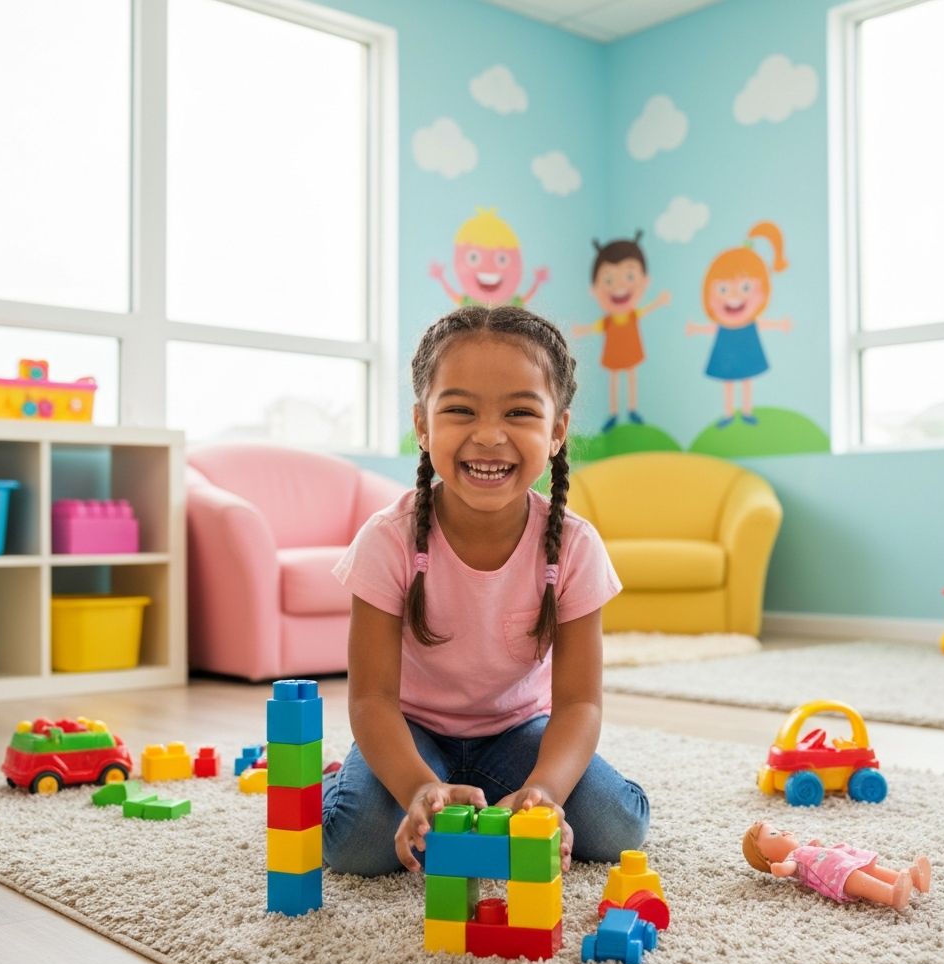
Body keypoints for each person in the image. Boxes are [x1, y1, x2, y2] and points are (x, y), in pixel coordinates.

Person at [323, 304, 650, 876]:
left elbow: (579, 703)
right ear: (423, 425)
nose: (490, 435)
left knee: (617, 827)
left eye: (521, 412)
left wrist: (545, 789)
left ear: (557, 430)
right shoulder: (387, 541)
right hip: (411, 731)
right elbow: (371, 700)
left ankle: (490, 789)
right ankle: (347, 777)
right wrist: (417, 785)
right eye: (459, 410)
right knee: (356, 845)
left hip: (519, 732)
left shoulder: (573, 545)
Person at [685, 221, 792, 428]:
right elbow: (711, 328)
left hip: (745, 349)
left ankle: (746, 410)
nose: (734, 296)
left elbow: (764, 324)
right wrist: (695, 328)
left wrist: (780, 324)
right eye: (723, 290)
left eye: (745, 287)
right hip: (725, 349)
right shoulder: (722, 326)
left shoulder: (750, 323)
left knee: (746, 379)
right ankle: (727, 413)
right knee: (728, 381)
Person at [571, 232, 671, 433]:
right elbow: (598, 326)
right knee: (615, 380)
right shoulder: (610, 319)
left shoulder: (632, 314)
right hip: (614, 351)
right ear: (595, 289)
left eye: (629, 276)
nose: (619, 286)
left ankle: (633, 409)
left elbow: (643, 311)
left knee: (632, 376)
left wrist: (658, 302)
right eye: (608, 280)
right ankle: (614, 413)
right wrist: (583, 330)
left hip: (631, 349)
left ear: (644, 280)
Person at [742, 822, 931, 911]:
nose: (785, 832)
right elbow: (787, 869)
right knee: (861, 880)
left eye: (781, 829)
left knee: (871, 869)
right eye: (775, 834)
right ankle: (891, 895)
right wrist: (778, 868)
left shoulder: (801, 850)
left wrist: (814, 845)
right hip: (836, 875)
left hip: (844, 861)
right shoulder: (791, 858)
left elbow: (815, 855)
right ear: (768, 859)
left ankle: (914, 880)